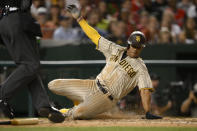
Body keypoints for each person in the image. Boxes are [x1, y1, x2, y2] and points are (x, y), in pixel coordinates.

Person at [48, 4, 162, 120]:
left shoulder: (140, 67)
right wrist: (80, 19)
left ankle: (61, 112)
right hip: (92, 85)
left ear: (142, 48)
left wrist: (147, 111)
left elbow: (144, 91)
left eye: (138, 47)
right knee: (53, 85)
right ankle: (80, 104)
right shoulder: (114, 49)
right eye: (134, 46)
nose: (135, 49)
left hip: (106, 98)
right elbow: (94, 36)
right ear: (129, 44)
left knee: (78, 114)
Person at [0, 0, 64, 123]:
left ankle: (43, 105)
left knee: (29, 66)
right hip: (16, 19)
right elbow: (24, 4)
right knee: (31, 65)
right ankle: (2, 94)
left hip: (5, 21)